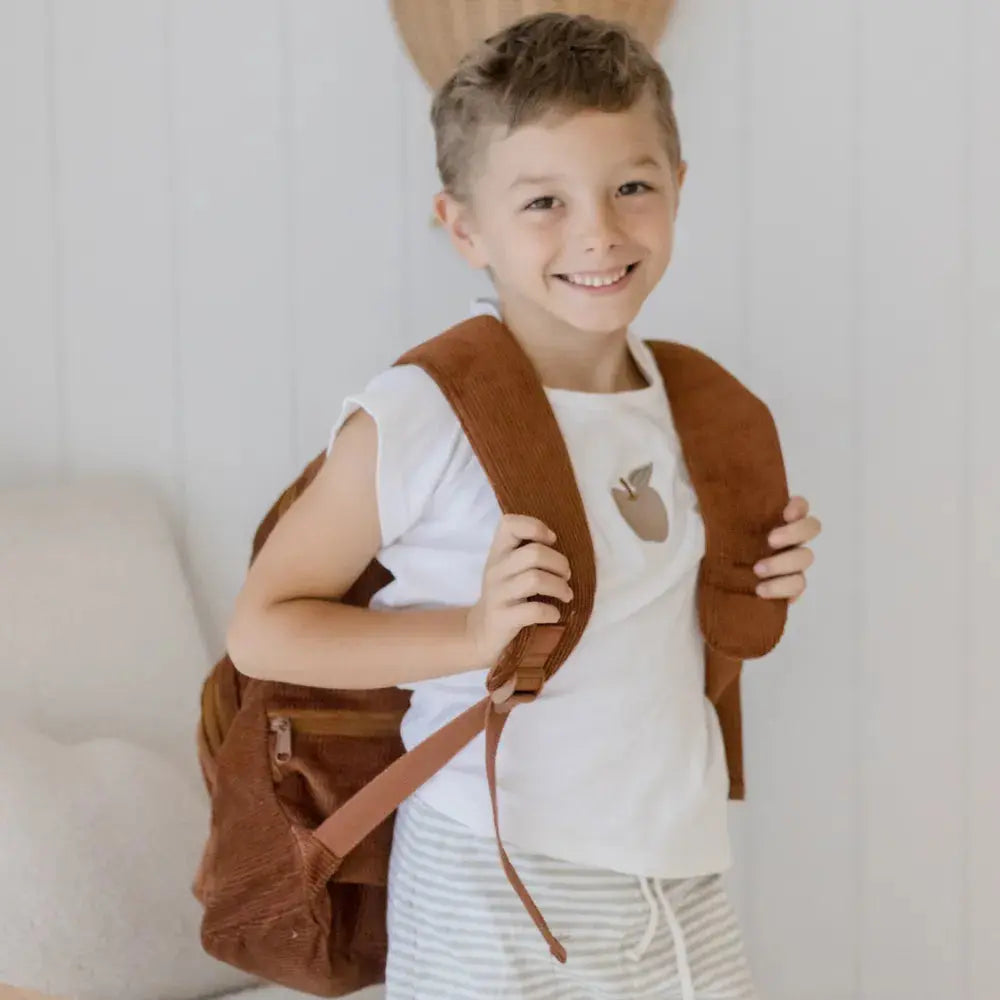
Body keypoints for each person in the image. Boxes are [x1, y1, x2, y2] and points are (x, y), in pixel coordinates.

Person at [227, 12, 822, 999]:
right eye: (542, 200)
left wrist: (756, 575)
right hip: (492, 872)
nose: (597, 230)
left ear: (679, 187)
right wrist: (470, 631)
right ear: (464, 227)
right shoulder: (424, 413)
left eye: (632, 186)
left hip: (679, 870)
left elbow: (653, 631)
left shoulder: (698, 406)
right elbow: (263, 628)